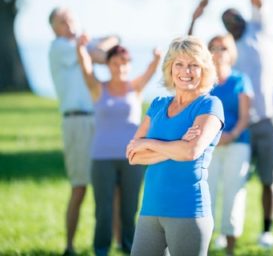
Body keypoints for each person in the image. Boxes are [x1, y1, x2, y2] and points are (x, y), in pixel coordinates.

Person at [191, 0, 273, 248]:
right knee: (233, 179)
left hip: (269, 119)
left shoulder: (261, 30)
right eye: (226, 20)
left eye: (234, 15)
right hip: (240, 124)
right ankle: (226, 232)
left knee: (269, 179)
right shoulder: (226, 51)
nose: (231, 21)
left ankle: (266, 230)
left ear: (243, 16)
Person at [126, 36, 224, 256]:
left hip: (188, 210)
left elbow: (191, 151)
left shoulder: (209, 105)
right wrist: (175, 147)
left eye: (193, 65)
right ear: (170, 68)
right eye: (179, 64)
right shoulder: (158, 105)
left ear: (204, 70)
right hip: (150, 209)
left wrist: (149, 143)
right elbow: (133, 155)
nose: (185, 71)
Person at [76, 38, 162, 255]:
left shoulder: (136, 87)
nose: (120, 67)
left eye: (124, 63)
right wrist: (80, 48)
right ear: (108, 65)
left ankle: (129, 247)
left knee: (130, 208)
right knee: (103, 209)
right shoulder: (98, 88)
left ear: (129, 65)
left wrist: (157, 58)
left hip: (133, 158)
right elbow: (86, 69)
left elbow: (152, 70)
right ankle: (101, 249)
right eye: (115, 63)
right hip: (102, 158)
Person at [48, 7, 119, 255]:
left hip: (97, 119)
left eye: (71, 19)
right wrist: (109, 42)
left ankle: (120, 242)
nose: (68, 23)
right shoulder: (60, 47)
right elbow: (101, 55)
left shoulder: (80, 45)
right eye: (61, 21)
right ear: (54, 27)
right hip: (76, 122)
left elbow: (109, 44)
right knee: (80, 186)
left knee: (111, 184)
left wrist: (109, 40)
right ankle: (69, 246)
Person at [206, 34, 253, 255]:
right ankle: (203, 244)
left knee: (234, 193)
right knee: (207, 193)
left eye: (223, 47)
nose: (218, 52)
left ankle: (230, 248)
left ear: (231, 51)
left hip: (237, 144)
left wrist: (231, 135)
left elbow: (245, 115)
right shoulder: (203, 81)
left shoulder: (240, 80)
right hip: (208, 147)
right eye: (213, 47)